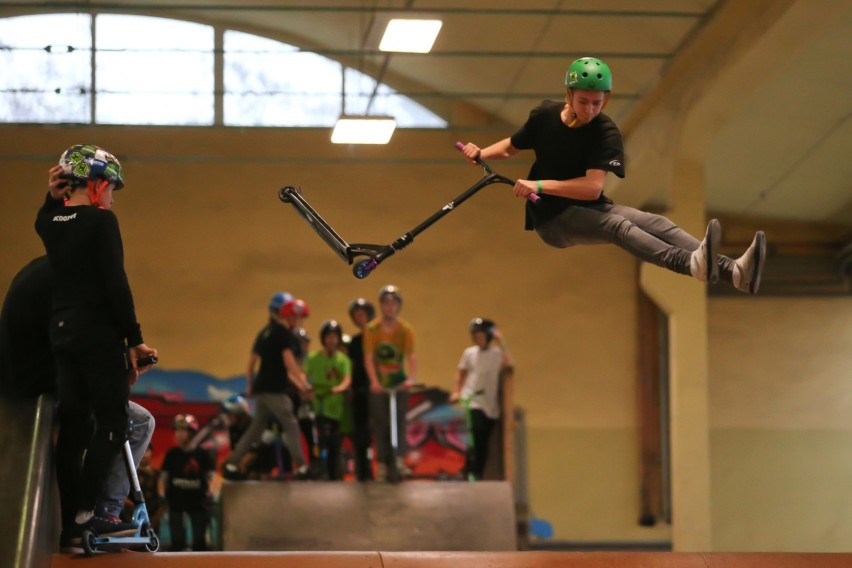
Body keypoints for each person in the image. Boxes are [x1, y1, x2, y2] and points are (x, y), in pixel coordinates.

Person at [458, 56, 766, 294]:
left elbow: (592, 189)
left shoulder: (605, 133)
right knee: (618, 226)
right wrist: (482, 152)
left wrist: (537, 183)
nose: (591, 109)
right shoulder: (544, 117)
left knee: (656, 222)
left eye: (598, 102)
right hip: (552, 220)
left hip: (591, 205)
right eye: (583, 101)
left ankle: (736, 273)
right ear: (568, 94)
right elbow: (511, 147)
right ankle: (688, 263)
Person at [35, 145, 158, 543]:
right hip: (97, 333)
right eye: (110, 188)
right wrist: (134, 340)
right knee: (113, 421)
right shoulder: (102, 223)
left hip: (63, 331)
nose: (111, 197)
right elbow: (115, 285)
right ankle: (90, 515)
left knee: (74, 429)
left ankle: (72, 519)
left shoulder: (52, 222)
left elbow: (44, 217)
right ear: (96, 183)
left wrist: (51, 197)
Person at [0, 257, 157, 551]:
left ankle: (93, 514)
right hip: (39, 387)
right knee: (137, 421)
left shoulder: (43, 270)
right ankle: (100, 514)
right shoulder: (73, 281)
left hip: (23, 380)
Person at [223, 295, 312, 479]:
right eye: (295, 318)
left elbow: (254, 363)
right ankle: (302, 466)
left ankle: (231, 464)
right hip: (273, 390)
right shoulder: (282, 334)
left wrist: (250, 383)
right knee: (291, 424)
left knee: (256, 428)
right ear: (286, 316)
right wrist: (304, 384)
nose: (298, 322)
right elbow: (289, 362)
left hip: (262, 388)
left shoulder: (267, 332)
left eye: (300, 318)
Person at [363, 285, 417, 482]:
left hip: (398, 382)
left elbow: (411, 355)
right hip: (380, 384)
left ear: (398, 306)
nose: (389, 307)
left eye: (393, 304)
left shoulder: (405, 330)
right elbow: (369, 357)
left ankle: (400, 460)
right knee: (380, 424)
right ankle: (383, 465)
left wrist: (411, 378)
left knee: (400, 421)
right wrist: (374, 382)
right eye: (386, 303)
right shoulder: (372, 329)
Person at [450, 318, 514, 480]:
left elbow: (509, 365)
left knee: (482, 440)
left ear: (489, 336)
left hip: (489, 404)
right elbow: (461, 372)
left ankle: (477, 472)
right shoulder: (469, 353)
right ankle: (467, 470)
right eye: (475, 336)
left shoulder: (497, 354)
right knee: (472, 432)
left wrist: (502, 342)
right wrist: (457, 391)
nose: (478, 339)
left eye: (481, 336)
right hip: (472, 398)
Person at [302, 320, 352, 480]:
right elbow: (304, 375)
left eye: (335, 337)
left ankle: (334, 475)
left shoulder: (343, 360)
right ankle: (317, 471)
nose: (332, 340)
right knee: (318, 441)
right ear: (323, 339)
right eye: (328, 337)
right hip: (318, 406)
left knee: (335, 443)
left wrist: (339, 388)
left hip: (335, 408)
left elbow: (347, 378)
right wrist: (305, 386)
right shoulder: (313, 358)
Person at [158, 414, 215, 551]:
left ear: (192, 433)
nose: (179, 434)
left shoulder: (202, 454)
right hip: (175, 501)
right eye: (177, 430)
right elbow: (163, 478)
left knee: (199, 544)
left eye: (183, 430)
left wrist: (211, 492)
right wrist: (161, 495)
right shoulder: (172, 454)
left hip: (198, 501)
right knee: (177, 544)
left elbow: (212, 477)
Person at [346, 298, 376, 481]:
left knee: (377, 432)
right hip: (359, 393)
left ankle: (379, 467)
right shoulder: (355, 342)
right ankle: (362, 469)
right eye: (356, 316)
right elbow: (351, 368)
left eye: (362, 315)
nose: (359, 318)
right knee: (360, 433)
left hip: (375, 391)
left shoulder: (377, 338)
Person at [124, 444, 165, 533]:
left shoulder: (156, 473)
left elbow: (161, 495)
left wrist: (157, 514)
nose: (143, 454)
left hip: (151, 511)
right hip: (131, 510)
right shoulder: (129, 473)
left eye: (146, 451)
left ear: (151, 453)